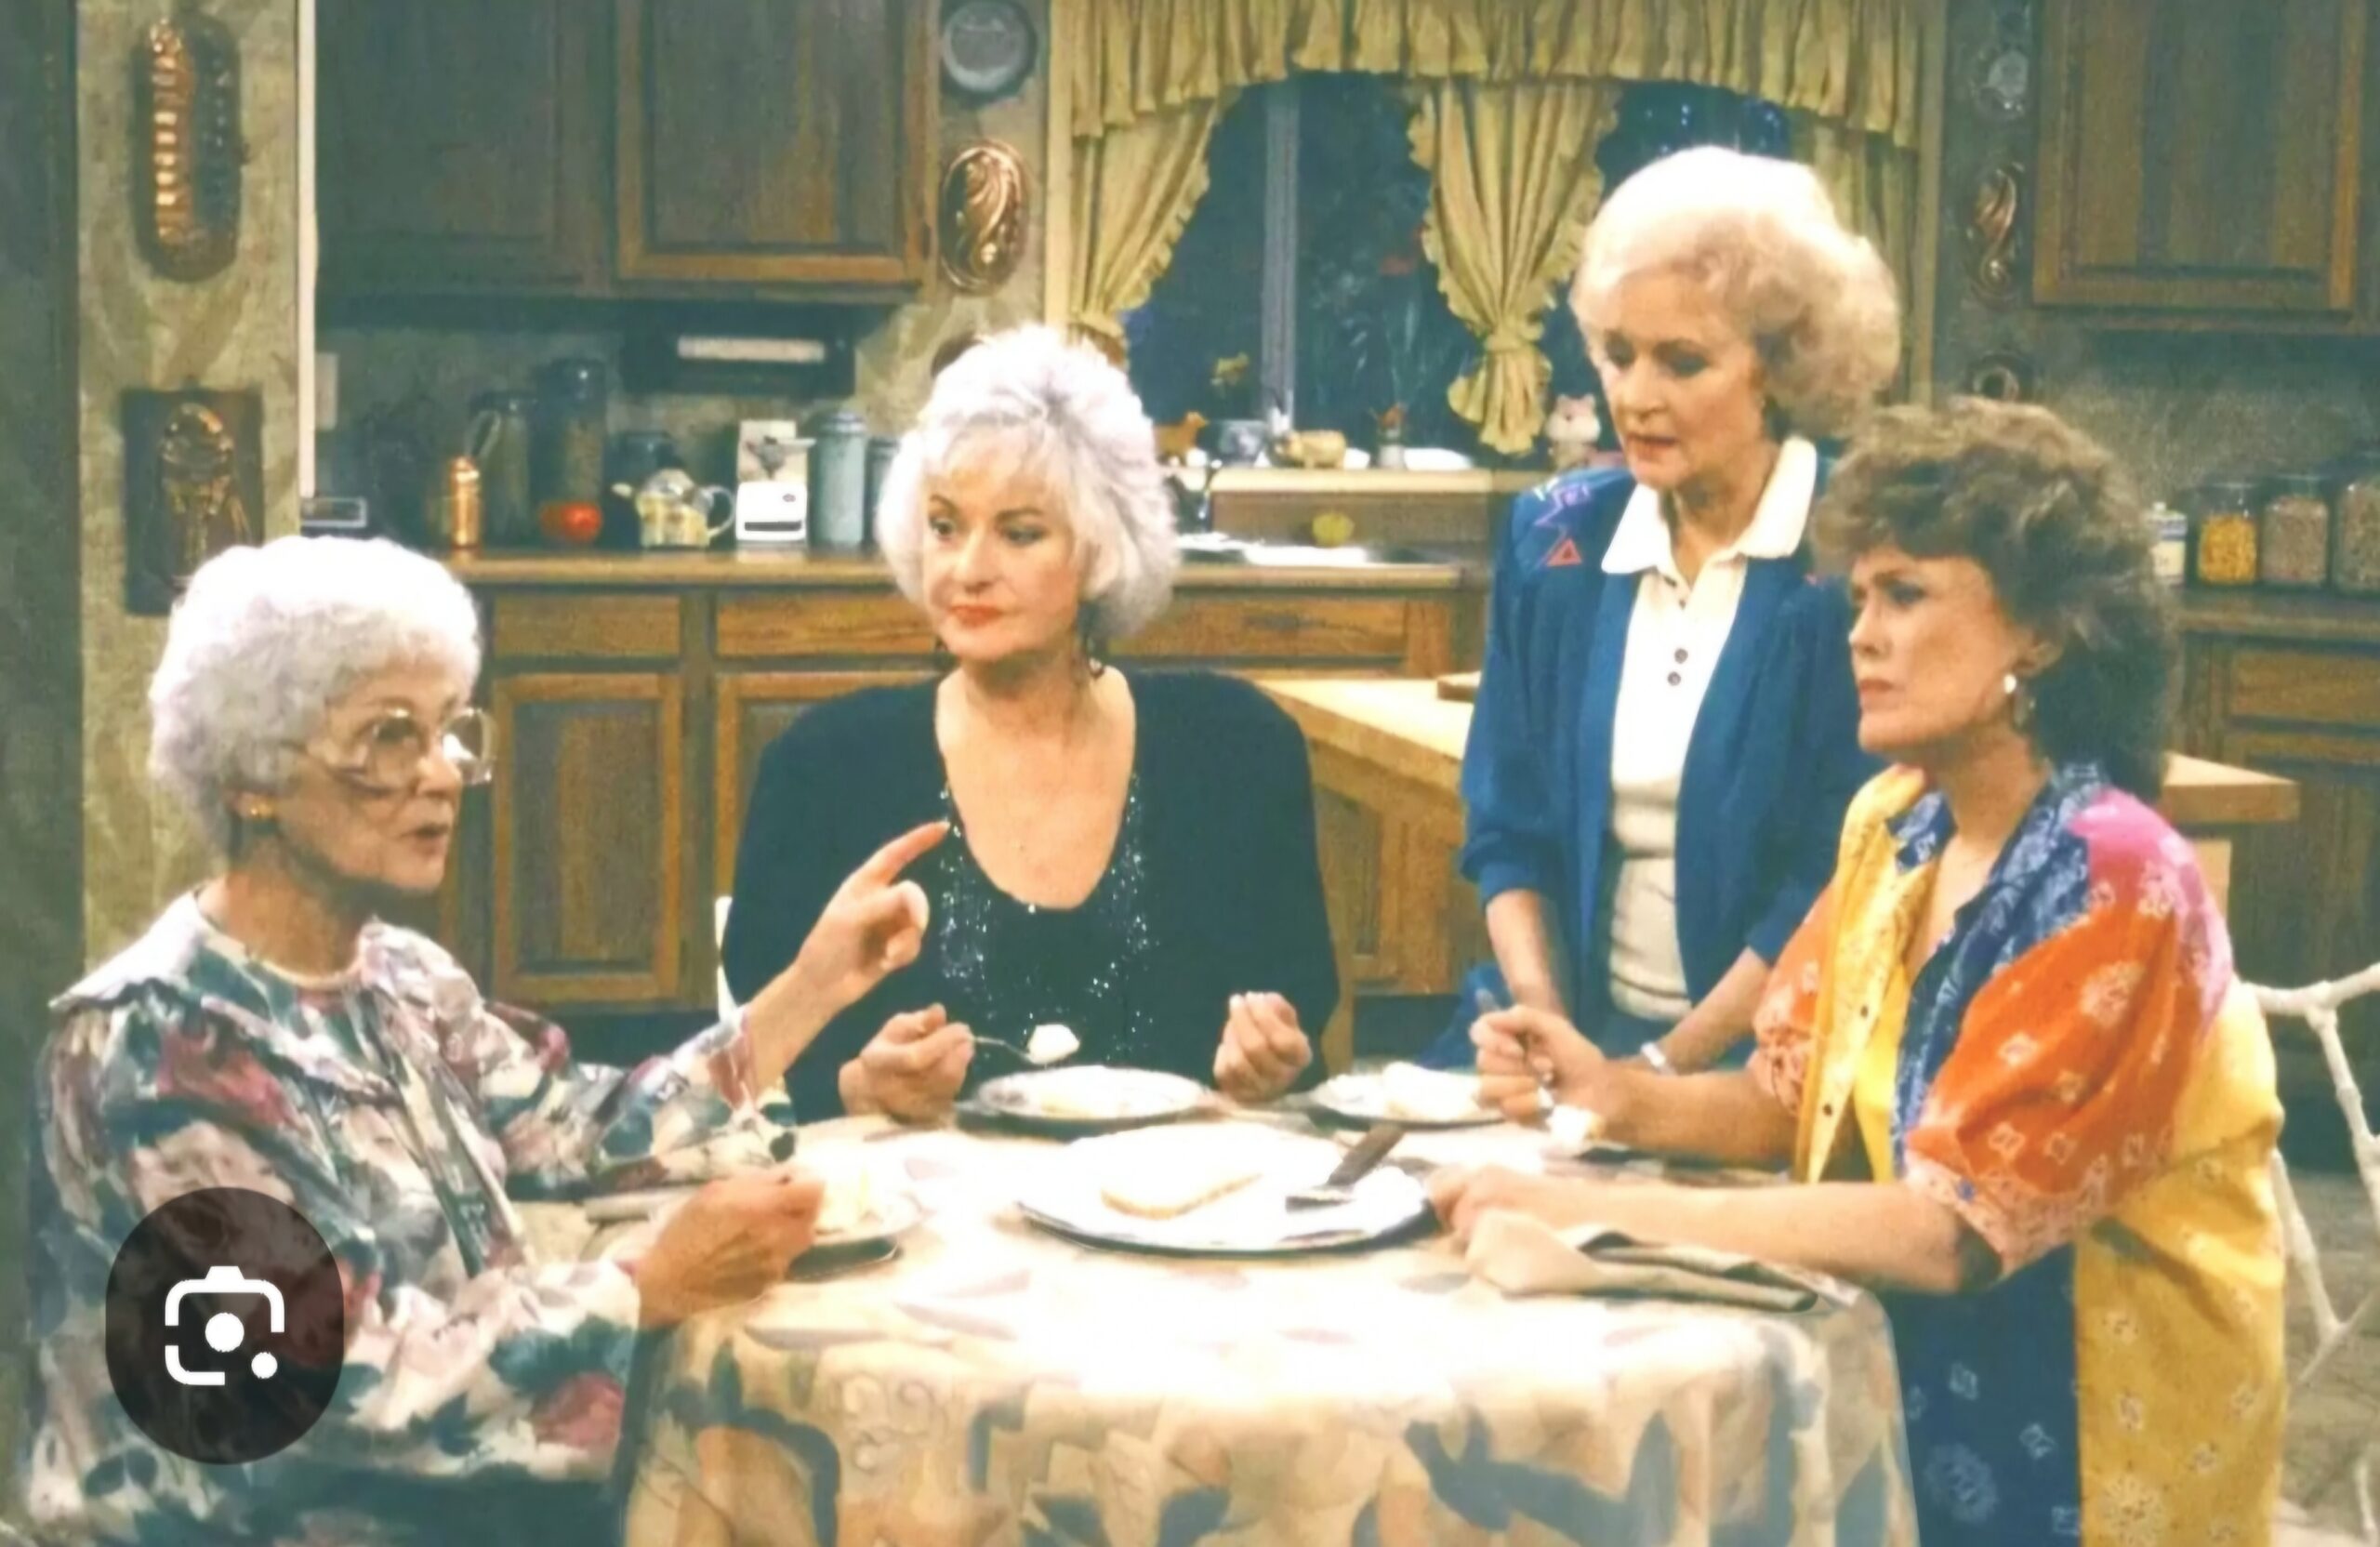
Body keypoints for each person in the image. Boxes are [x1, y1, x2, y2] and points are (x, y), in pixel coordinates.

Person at [1440, 402, 2284, 1547]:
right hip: (1912, 1409)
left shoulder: (2113, 874)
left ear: (2041, 632)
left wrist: (1590, 1215)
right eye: (1858, 598)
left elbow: (1951, 1229)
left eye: (1905, 594)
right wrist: (1612, 1092)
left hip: (2086, 1456)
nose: (1862, 635)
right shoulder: (1896, 824)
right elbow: (1785, 1096)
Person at [26, 536, 947, 1545]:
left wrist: (815, 984)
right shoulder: (153, 1045)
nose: (443, 775)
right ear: (253, 772)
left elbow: (583, 1128)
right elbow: (308, 1383)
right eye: (390, 737)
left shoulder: (402, 978)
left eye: (449, 731)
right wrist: (643, 1286)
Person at [723, 326, 1336, 1122]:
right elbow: (758, 1076)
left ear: (1101, 549)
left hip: (1181, 1193)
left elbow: (1302, 1027)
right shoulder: (825, 770)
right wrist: (856, 1088)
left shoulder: (1234, 752)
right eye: (944, 526)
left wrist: (1271, 1062)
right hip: (913, 1199)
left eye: (1019, 533)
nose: (967, 568)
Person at [1454, 146, 1899, 1073]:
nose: (1635, 397)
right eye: (1618, 355)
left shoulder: (1858, 561)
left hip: (1766, 1057)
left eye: (1681, 362)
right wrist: (1549, 1033)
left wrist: (1654, 1077)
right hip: (1573, 1040)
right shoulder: (1553, 540)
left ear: (1778, 369)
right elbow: (1509, 828)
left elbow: (1829, 880)